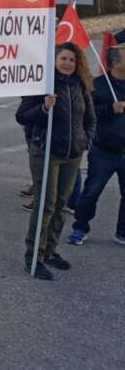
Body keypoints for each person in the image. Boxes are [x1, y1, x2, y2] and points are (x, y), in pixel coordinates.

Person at [16, 42, 96, 280]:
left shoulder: (80, 85)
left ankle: (50, 250)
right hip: (46, 152)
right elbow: (22, 116)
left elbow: (90, 118)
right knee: (45, 204)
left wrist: (85, 141)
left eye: (72, 60)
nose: (68, 63)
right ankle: (34, 257)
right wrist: (43, 107)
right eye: (63, 59)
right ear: (55, 60)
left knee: (61, 204)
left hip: (72, 155)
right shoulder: (43, 85)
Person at [69, 45, 125, 246]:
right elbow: (86, 113)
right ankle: (80, 228)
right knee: (92, 191)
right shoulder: (97, 85)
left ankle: (122, 232)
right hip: (104, 151)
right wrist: (111, 109)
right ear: (116, 63)